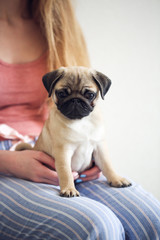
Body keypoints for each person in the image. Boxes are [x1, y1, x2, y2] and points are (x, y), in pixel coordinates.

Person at [0, 0, 159, 239]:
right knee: (96, 226)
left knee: (149, 217)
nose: (76, 101)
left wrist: (90, 158)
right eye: (64, 94)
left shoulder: (60, 24)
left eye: (86, 96)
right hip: (8, 160)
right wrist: (9, 162)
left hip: (57, 143)